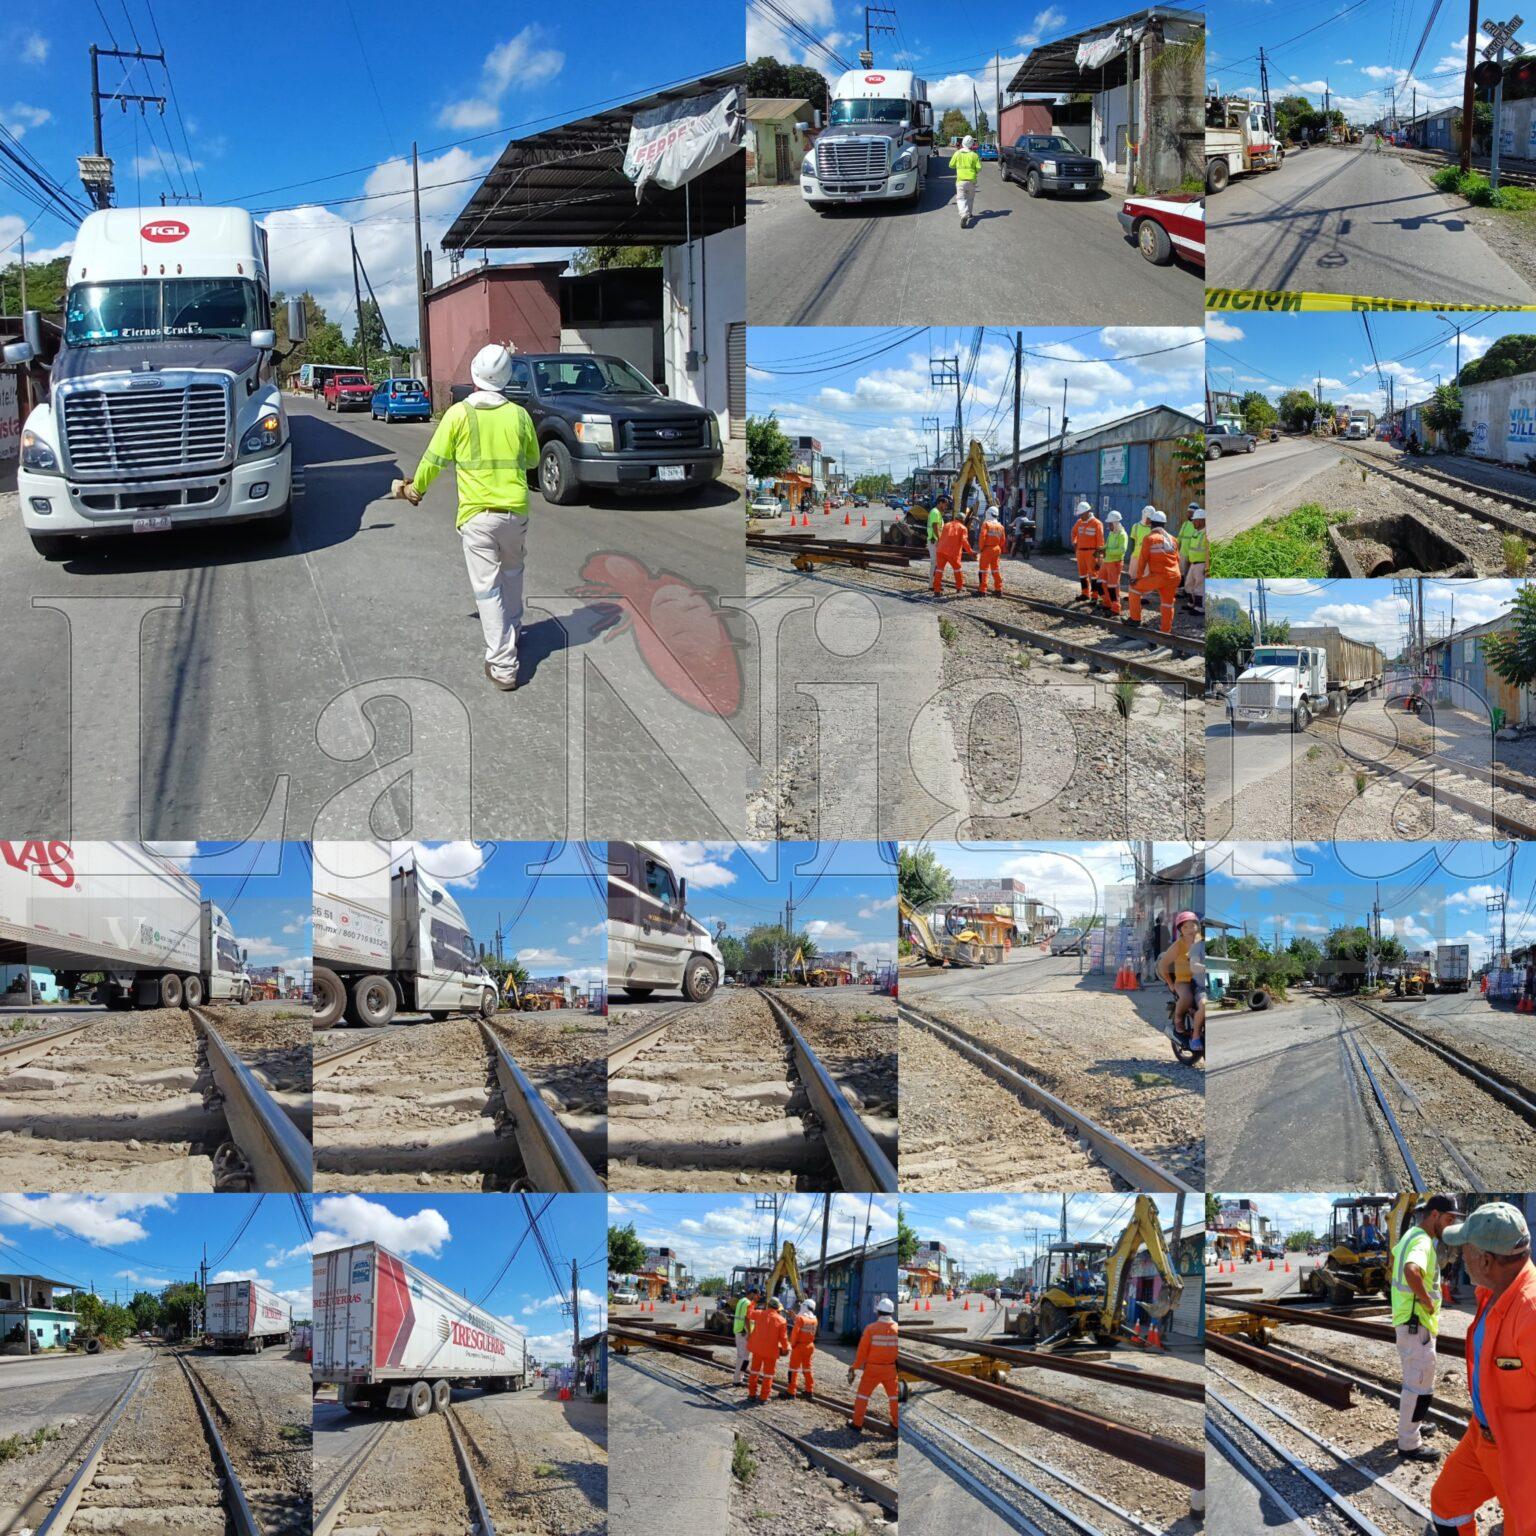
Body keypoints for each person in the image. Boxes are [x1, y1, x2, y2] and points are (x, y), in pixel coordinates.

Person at [393, 343, 541, 691]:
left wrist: (416, 490)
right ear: (506, 379)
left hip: (477, 515)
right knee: (513, 573)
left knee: (487, 589)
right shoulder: (518, 415)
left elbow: (433, 460)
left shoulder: (459, 414)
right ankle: (513, 631)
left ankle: (503, 665)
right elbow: (533, 460)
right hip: (515, 512)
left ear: (475, 376)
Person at [1431, 1202, 1536, 1535]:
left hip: (1520, 1451)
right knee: (1447, 1504)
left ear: (1487, 1260)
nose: (1462, 1256)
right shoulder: (1491, 1293)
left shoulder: (1530, 1312)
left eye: (1466, 1249)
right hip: (1482, 1433)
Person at [1390, 1194, 1463, 1462]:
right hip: (1416, 1322)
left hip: (1411, 1323)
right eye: (1449, 1218)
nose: (1451, 1224)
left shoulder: (1410, 1236)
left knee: (1418, 1380)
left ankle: (1413, 1426)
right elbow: (1411, 1271)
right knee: (1417, 1384)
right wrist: (1427, 1301)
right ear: (1434, 1215)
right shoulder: (1422, 1241)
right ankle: (1409, 1443)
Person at [848, 1297, 899, 1431]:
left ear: (878, 1312)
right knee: (894, 1397)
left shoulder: (871, 1329)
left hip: (872, 1369)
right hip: (891, 1369)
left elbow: (862, 1352)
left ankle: (857, 1423)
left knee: (863, 1395)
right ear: (892, 1313)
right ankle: (897, 1423)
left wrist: (855, 1366)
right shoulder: (897, 1329)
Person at [1127, 510, 1180, 635]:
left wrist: (1137, 578)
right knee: (1167, 603)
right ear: (1164, 525)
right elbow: (1178, 559)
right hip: (1174, 576)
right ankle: (1165, 632)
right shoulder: (1173, 540)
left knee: (1133, 588)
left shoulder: (1149, 539)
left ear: (1152, 524)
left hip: (1159, 576)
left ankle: (1135, 619)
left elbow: (1143, 560)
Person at [1156, 910, 1203, 1052]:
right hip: (1183, 981)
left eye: (1192, 925)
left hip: (1199, 980)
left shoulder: (1201, 941)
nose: (1189, 929)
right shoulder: (1178, 945)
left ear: (1198, 926)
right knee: (1187, 997)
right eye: (1185, 927)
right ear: (1180, 930)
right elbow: (1163, 965)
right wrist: (1170, 983)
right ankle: (1178, 1018)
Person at [747, 1295, 789, 1403]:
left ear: (768, 1305)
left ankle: (751, 1395)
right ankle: (763, 1398)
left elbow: (749, 1312)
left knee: (754, 1372)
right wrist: (785, 1349)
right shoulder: (782, 1320)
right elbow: (783, 1338)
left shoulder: (759, 1313)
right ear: (777, 1307)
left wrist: (754, 1302)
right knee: (768, 1374)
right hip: (771, 1351)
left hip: (757, 1349)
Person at [932, 507, 974, 596]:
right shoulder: (963, 528)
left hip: (940, 550)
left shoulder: (947, 525)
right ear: (963, 520)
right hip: (952, 553)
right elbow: (964, 541)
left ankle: (937, 590)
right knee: (957, 570)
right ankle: (959, 588)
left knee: (939, 570)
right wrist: (970, 552)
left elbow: (942, 536)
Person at [1070, 499, 1104, 603]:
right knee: (1082, 574)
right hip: (1080, 552)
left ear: (1088, 512)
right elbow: (1073, 532)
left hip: (1092, 553)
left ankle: (1095, 596)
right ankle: (1085, 594)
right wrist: (1074, 542)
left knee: (1094, 575)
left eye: (1081, 514)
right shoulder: (1079, 522)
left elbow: (1100, 542)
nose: (1080, 516)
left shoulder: (1097, 523)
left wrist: (1099, 559)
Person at [1178, 503, 1208, 615]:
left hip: (1201, 564)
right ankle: (1191, 604)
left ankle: (1200, 608)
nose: (1193, 522)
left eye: (1195, 520)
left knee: (1199, 587)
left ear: (1202, 521)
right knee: (1189, 584)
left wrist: (1207, 566)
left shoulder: (1206, 534)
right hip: (1193, 563)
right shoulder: (1197, 532)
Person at [787, 1297, 818, 1399]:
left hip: (799, 1346)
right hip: (810, 1346)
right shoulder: (814, 1319)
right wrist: (794, 1317)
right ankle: (809, 1391)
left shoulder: (800, 1319)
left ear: (805, 1307)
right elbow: (805, 1321)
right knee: (807, 1369)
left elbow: (795, 1333)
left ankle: (791, 1392)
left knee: (793, 1369)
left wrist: (792, 1344)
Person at [1098, 509, 1127, 616]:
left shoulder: (1122, 535)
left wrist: (1107, 551)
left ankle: (1115, 608)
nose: (1108, 526)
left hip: (1115, 563)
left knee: (1112, 587)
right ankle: (1107, 603)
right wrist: (1101, 548)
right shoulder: (1111, 533)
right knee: (1100, 583)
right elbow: (1107, 545)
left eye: (1110, 523)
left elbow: (1122, 550)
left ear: (1115, 523)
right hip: (1106, 562)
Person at [949, 135, 982, 227]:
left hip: (960, 180)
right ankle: (969, 213)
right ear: (971, 144)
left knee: (960, 198)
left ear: (963, 143)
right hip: (971, 180)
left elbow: (951, 165)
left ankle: (963, 214)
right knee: (970, 198)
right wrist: (974, 171)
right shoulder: (974, 155)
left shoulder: (957, 153)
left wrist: (958, 166)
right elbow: (979, 168)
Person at [732, 1287, 760, 1385]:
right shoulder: (749, 1303)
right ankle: (738, 1380)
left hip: (738, 1331)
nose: (758, 1297)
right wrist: (750, 1333)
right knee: (744, 1358)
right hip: (744, 1332)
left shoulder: (741, 1301)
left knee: (741, 1356)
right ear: (752, 1293)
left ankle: (738, 1378)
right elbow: (747, 1319)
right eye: (757, 1295)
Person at [977, 505, 1007, 593]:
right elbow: (1003, 540)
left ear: (988, 514)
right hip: (997, 549)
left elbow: (982, 537)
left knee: (983, 570)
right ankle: (998, 589)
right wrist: (997, 547)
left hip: (987, 549)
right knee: (995, 569)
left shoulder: (986, 524)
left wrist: (981, 548)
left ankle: (982, 590)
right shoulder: (1001, 526)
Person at [926, 497, 946, 583]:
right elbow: (935, 527)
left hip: (935, 540)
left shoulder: (938, 513)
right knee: (935, 563)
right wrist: (940, 539)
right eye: (945, 504)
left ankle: (935, 583)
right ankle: (932, 584)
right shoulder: (935, 512)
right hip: (934, 540)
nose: (946, 506)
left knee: (937, 563)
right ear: (940, 503)